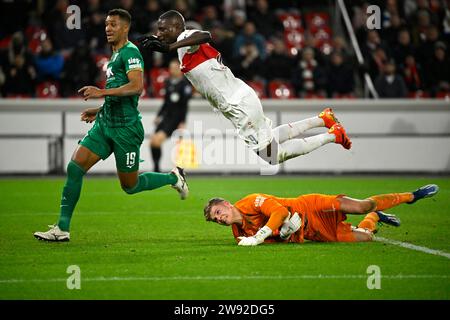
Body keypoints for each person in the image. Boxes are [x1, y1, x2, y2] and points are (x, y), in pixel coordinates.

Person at [34, 9, 188, 242]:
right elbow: (121, 92)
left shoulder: (131, 52)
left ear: (125, 28)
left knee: (130, 186)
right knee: (75, 168)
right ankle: (62, 228)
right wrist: (100, 110)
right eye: (106, 24)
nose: (108, 28)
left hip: (126, 129)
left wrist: (101, 93)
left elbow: (137, 87)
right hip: (105, 125)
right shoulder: (114, 55)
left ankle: (173, 178)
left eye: (113, 24)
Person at [138, 10, 352, 167]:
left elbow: (205, 35)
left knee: (272, 156)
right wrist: (164, 45)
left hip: (238, 105)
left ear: (177, 28)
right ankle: (322, 119)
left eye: (164, 29)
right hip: (240, 100)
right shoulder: (182, 47)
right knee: (269, 142)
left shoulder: (185, 38)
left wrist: (168, 46)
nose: (160, 33)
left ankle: (334, 135)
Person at [203, 184, 439, 246]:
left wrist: (261, 235)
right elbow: (275, 240)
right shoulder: (238, 234)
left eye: (218, 212)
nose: (219, 218)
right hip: (312, 232)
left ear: (226, 203)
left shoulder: (250, 202)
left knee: (362, 206)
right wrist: (282, 235)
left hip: (311, 206)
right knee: (366, 238)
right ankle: (377, 217)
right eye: (216, 219)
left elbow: (280, 211)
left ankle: (411, 195)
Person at [150, 59, 192, 172]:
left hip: (175, 119)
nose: (172, 70)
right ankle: (156, 167)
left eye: (175, 68)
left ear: (180, 69)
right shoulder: (168, 82)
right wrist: (158, 115)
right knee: (152, 142)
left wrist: (182, 122)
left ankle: (161, 170)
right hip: (166, 117)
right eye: (171, 68)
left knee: (158, 140)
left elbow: (184, 105)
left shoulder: (185, 84)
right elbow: (165, 102)